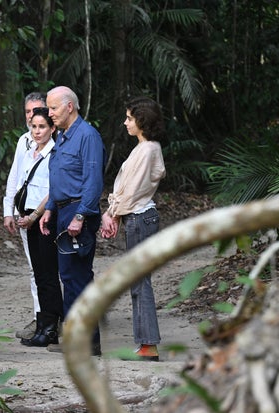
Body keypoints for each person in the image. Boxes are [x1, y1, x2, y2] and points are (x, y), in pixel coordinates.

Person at [39, 86, 106, 354]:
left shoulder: (87, 136)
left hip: (80, 212)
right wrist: (50, 209)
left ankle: (88, 342)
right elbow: (60, 176)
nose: (49, 113)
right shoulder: (64, 137)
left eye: (53, 108)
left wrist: (80, 216)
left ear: (70, 107)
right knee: (68, 276)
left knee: (77, 277)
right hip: (64, 211)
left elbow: (93, 181)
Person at [100, 96, 166, 361]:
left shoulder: (148, 149)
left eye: (129, 118)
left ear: (142, 121)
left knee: (139, 282)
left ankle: (149, 344)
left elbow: (133, 190)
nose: (125, 122)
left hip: (140, 218)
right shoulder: (144, 148)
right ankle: (145, 343)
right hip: (138, 217)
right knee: (138, 281)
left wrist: (112, 213)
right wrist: (115, 212)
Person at [16, 107, 64, 347]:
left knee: (48, 275)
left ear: (52, 128)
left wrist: (35, 215)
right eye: (33, 126)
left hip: (44, 218)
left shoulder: (55, 154)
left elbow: (53, 189)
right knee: (38, 273)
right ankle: (44, 326)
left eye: (42, 126)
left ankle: (51, 327)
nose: (36, 131)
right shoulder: (29, 152)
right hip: (29, 217)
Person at [2, 92, 47, 339]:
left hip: (48, 213)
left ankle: (55, 316)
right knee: (34, 268)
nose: (32, 116)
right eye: (28, 112)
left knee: (53, 269)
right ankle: (39, 316)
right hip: (24, 212)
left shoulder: (56, 139)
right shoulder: (24, 140)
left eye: (37, 110)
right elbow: (15, 177)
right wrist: (8, 209)